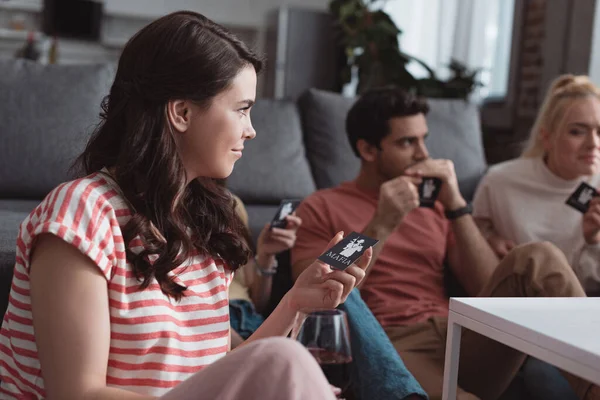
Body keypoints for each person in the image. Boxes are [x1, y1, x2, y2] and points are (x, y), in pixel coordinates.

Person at [0, 11, 373, 400]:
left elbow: (216, 381)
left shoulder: (207, 223)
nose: (252, 129)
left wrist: (296, 302)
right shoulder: (82, 212)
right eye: (242, 108)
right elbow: (76, 394)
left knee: (286, 362)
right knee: (286, 362)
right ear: (181, 112)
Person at [290, 86, 598, 400]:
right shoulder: (322, 206)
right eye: (407, 142)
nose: (424, 154)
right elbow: (317, 290)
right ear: (368, 150)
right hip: (390, 343)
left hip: (459, 332)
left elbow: (486, 288)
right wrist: (381, 222)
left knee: (539, 255)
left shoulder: (435, 205)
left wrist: (456, 206)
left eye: (424, 139)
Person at [473, 74, 600, 295]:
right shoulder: (500, 181)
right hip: (517, 310)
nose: (593, 144)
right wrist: (488, 239)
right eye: (577, 131)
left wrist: (594, 242)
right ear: (547, 138)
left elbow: (590, 285)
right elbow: (468, 234)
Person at [228, 195, 301, 347]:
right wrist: (249, 352)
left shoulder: (230, 203)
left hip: (251, 320)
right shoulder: (169, 208)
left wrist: (265, 255)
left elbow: (258, 303)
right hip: (219, 327)